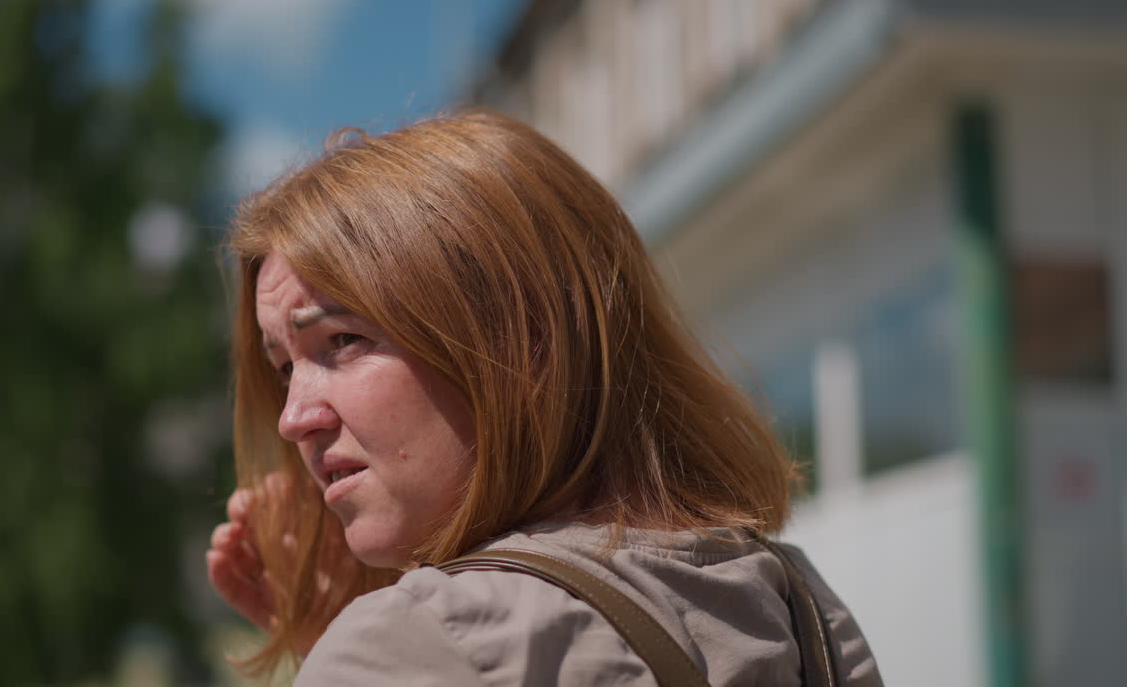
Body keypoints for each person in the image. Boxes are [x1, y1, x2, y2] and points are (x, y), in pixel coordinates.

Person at [207, 110, 883, 685]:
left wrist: (355, 649)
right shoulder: (802, 606)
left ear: (520, 343)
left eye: (343, 340)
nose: (294, 418)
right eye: (284, 369)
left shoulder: (410, 644)